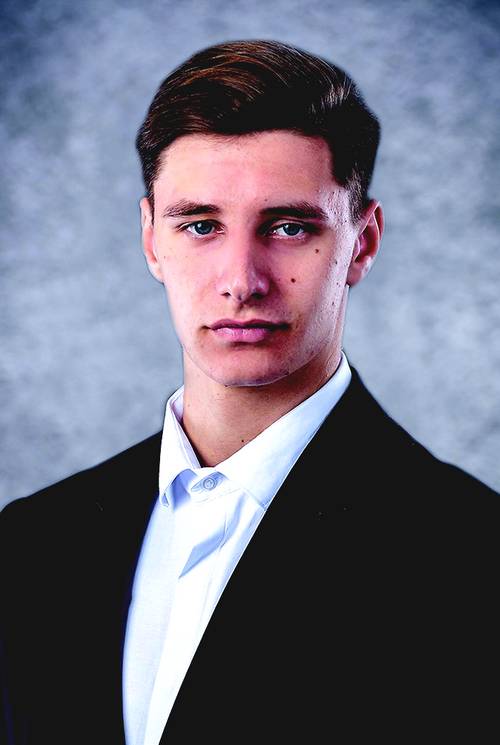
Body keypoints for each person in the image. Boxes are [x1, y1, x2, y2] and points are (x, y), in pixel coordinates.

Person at [1, 39, 499, 745]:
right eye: (201, 225)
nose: (241, 280)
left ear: (362, 243)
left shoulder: (474, 559)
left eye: (289, 227)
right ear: (151, 240)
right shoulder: (31, 544)